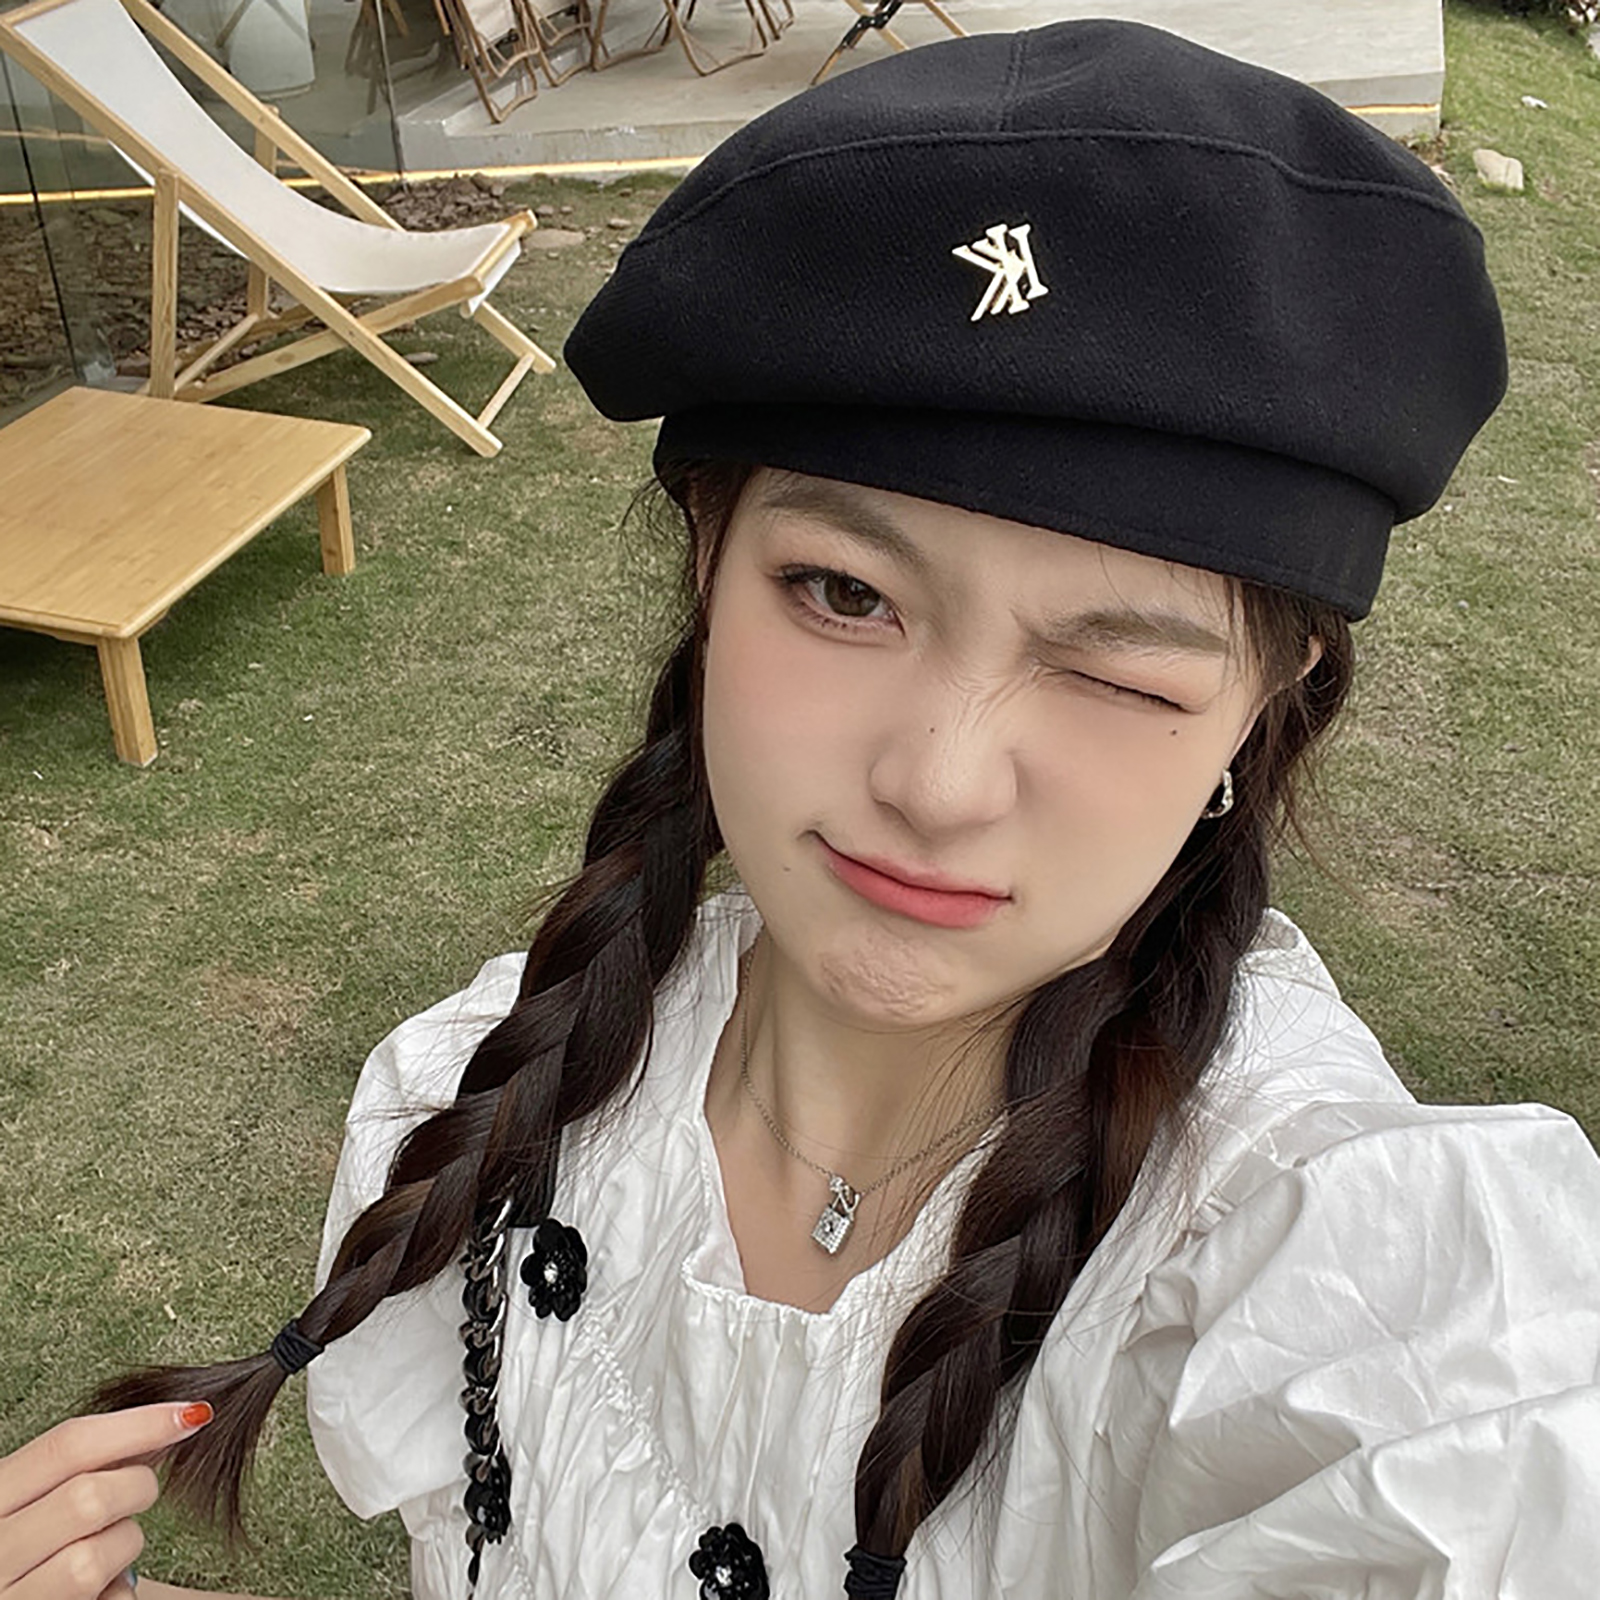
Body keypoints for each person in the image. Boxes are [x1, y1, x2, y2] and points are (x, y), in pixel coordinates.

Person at [5, 18, 1599, 1600]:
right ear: (708, 563)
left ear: (1266, 699)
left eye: (1117, 670)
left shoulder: (1338, 1268)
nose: (937, 782)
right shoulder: (475, 1093)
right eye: (844, 593)